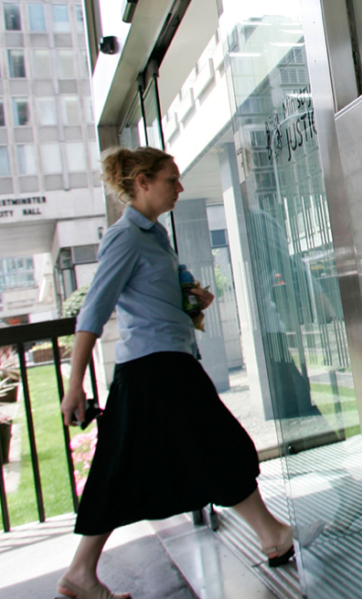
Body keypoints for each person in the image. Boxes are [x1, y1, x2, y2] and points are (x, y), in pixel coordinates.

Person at [57, 147, 293, 599]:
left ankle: (81, 573)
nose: (180, 189)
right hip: (153, 370)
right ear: (142, 182)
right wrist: (74, 385)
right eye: (171, 180)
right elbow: (93, 311)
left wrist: (193, 298)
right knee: (219, 445)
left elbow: (155, 297)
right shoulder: (125, 237)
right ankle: (272, 533)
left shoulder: (155, 237)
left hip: (167, 365)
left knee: (126, 468)